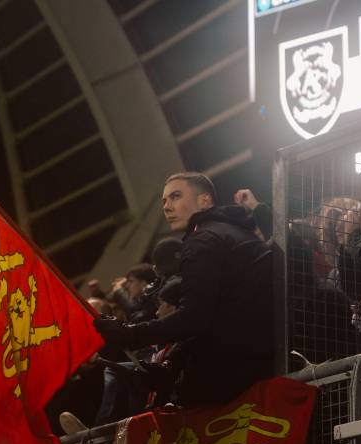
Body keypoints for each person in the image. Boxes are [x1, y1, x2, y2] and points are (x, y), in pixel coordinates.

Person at [94, 172, 274, 407]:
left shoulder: (204, 238)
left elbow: (195, 317)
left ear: (205, 201)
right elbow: (217, 310)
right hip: (260, 357)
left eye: (176, 197)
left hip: (237, 376)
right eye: (164, 201)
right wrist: (172, 363)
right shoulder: (231, 230)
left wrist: (130, 335)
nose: (167, 207)